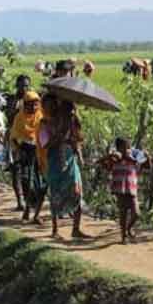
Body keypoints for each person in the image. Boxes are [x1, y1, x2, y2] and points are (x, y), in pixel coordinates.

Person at [39, 97, 86, 239]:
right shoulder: (45, 124)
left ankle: (76, 229)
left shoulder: (69, 122)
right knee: (55, 193)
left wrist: (78, 152)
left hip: (70, 159)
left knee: (77, 191)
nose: (50, 109)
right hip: (54, 161)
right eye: (47, 106)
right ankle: (55, 230)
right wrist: (58, 137)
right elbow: (45, 144)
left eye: (52, 105)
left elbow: (78, 139)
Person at [100, 137, 148, 244]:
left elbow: (146, 165)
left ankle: (129, 227)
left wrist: (146, 156)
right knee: (123, 213)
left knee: (136, 213)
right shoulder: (115, 159)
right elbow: (102, 163)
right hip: (119, 189)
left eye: (128, 147)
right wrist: (110, 156)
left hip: (132, 188)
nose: (127, 149)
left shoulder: (134, 157)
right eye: (125, 147)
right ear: (118, 148)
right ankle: (123, 236)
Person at [10, 90, 46, 224]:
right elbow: (13, 137)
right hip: (26, 152)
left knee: (40, 184)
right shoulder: (19, 118)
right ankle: (27, 208)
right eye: (29, 105)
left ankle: (35, 213)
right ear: (24, 104)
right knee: (27, 181)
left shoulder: (42, 117)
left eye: (35, 104)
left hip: (40, 153)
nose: (33, 107)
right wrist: (18, 151)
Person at [5, 75, 32, 210]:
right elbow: (9, 117)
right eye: (22, 85)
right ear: (17, 86)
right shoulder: (12, 100)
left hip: (29, 139)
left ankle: (28, 200)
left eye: (26, 85)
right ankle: (20, 200)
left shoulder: (32, 99)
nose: (24, 88)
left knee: (28, 172)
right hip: (15, 138)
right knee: (16, 169)